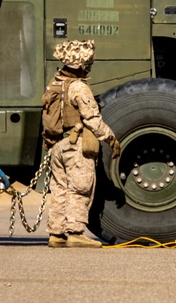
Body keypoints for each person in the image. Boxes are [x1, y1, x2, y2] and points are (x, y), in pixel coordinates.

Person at [41, 40, 122, 248]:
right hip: (75, 144)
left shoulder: (55, 84)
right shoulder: (78, 87)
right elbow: (92, 119)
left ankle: (56, 233)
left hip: (58, 145)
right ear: (81, 64)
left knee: (59, 188)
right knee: (80, 188)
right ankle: (75, 232)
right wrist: (111, 138)